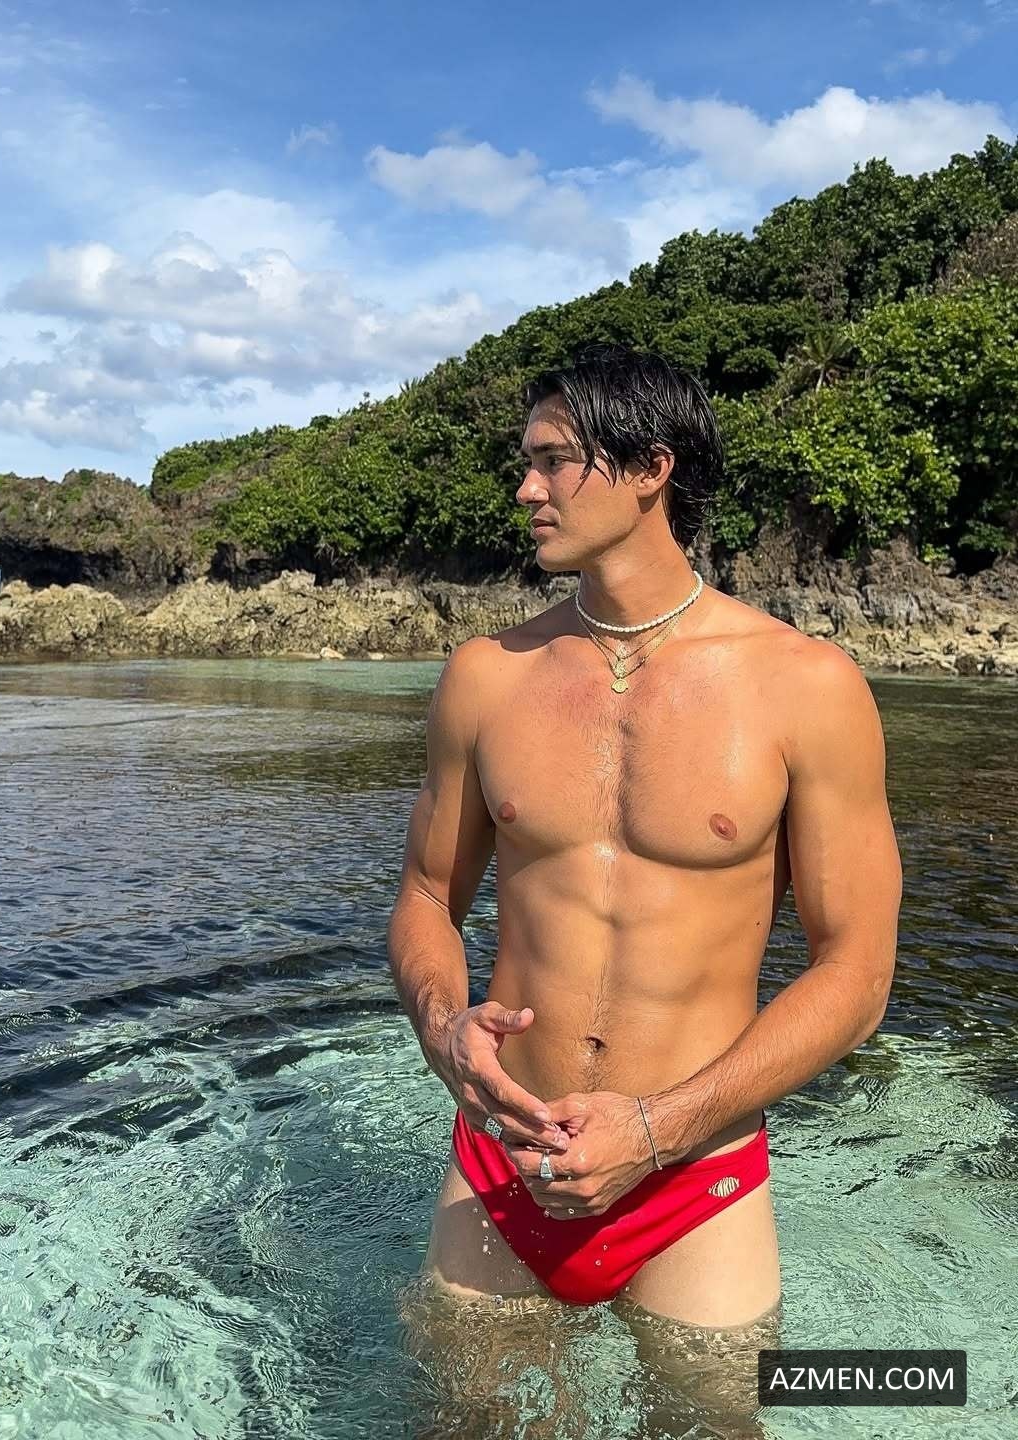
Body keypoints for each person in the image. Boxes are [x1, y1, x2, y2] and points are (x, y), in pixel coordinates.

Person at [388, 342, 903, 1429]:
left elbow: (857, 973)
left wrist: (659, 1128)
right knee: (466, 1424)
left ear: (650, 469)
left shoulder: (806, 687)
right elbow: (427, 897)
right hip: (504, 1157)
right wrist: (444, 1033)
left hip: (694, 1175)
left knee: (713, 1420)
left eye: (552, 461)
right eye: (526, 462)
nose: (525, 490)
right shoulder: (486, 676)